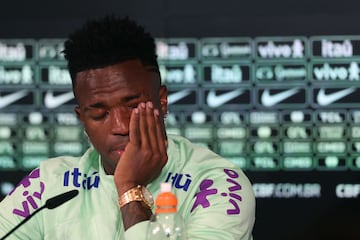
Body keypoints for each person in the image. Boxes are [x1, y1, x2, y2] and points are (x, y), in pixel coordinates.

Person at [0, 15, 255, 239]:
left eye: (134, 107)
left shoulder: (217, 182)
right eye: (99, 114)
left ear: (162, 101)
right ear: (82, 119)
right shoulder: (49, 184)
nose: (121, 126)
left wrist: (129, 187)